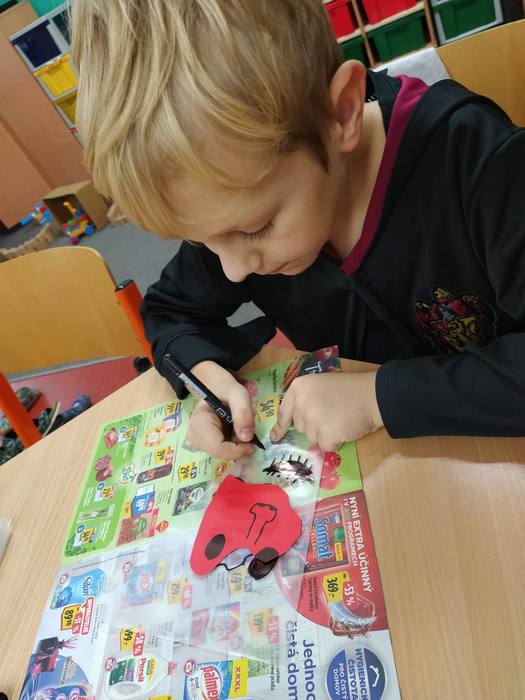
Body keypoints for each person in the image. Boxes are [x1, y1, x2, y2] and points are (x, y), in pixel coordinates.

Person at [71, 1, 525, 458]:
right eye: (200, 240)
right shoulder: (232, 212)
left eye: (256, 227)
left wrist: (378, 397)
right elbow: (169, 311)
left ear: (342, 113)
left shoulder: (478, 161)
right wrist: (209, 379)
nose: (232, 270)